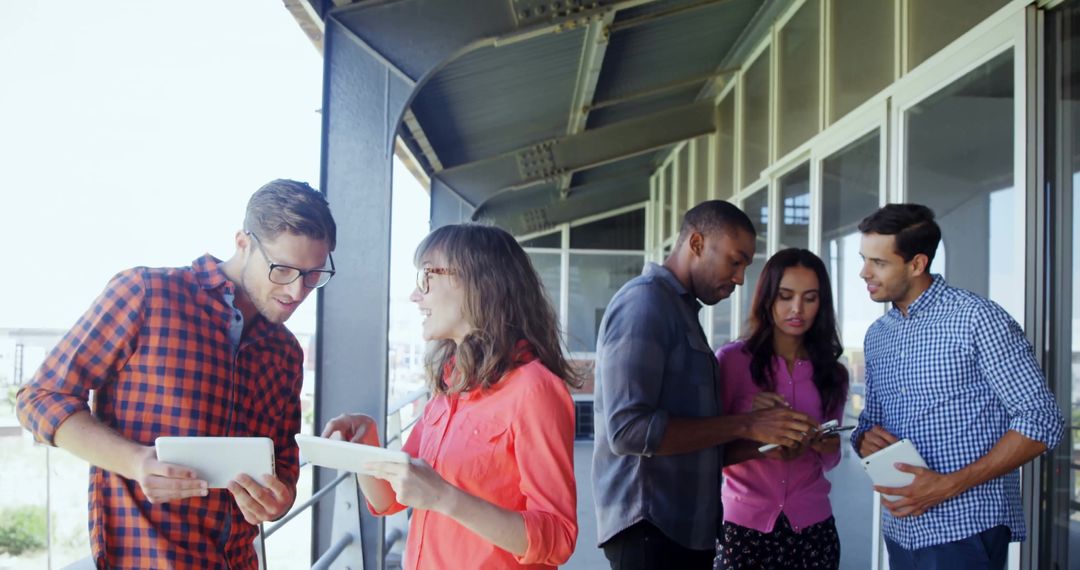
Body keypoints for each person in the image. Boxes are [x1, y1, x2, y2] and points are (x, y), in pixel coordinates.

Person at [17, 179, 337, 569]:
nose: (297, 291)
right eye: (283, 269)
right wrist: (136, 462)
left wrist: (279, 499)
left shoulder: (285, 353)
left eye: (313, 274)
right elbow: (40, 398)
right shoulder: (146, 294)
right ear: (243, 243)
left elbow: (283, 462)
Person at [321, 223, 579, 569]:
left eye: (428, 276)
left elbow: (559, 537)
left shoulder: (535, 389)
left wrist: (445, 497)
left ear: (478, 283)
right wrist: (364, 446)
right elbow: (390, 501)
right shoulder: (450, 385)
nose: (416, 295)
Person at [592, 200, 819, 569]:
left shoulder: (681, 310)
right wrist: (746, 424)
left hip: (683, 530)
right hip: (651, 529)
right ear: (696, 243)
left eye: (746, 265)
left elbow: (694, 437)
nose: (741, 277)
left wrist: (759, 443)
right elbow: (628, 430)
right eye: (735, 260)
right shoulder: (645, 303)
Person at [852, 203, 1064, 569]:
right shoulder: (877, 336)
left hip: (964, 531)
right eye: (863, 259)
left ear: (917, 264)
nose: (863, 272)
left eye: (878, 263)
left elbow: (1042, 419)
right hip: (902, 529)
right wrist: (863, 438)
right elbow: (871, 421)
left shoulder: (979, 318)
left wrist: (947, 485)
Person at [714, 248, 848, 570]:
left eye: (810, 298)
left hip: (814, 530)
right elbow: (709, 450)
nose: (797, 309)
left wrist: (825, 445)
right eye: (785, 296)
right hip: (742, 530)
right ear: (767, 298)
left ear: (822, 304)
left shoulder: (833, 373)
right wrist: (758, 440)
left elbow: (831, 459)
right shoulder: (731, 362)